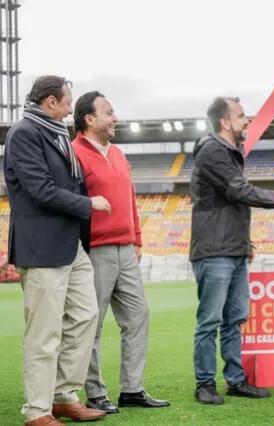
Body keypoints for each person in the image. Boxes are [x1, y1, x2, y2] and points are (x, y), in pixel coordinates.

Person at [3, 75, 110, 425]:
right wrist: (88, 203)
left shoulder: (56, 134)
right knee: (44, 333)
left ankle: (64, 394)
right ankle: (37, 411)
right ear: (50, 102)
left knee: (85, 317)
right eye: (67, 102)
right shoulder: (24, 134)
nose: (70, 109)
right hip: (42, 247)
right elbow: (41, 190)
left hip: (70, 244)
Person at [189, 96, 274, 405]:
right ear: (225, 121)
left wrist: (244, 243)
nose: (247, 120)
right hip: (213, 250)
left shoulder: (230, 152)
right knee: (210, 321)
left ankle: (235, 380)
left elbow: (231, 203)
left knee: (234, 320)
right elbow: (240, 192)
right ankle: (205, 383)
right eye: (241, 115)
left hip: (231, 249)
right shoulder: (212, 150)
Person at [71, 91, 170, 414]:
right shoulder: (73, 154)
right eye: (109, 112)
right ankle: (96, 393)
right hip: (94, 251)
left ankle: (132, 388)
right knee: (92, 324)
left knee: (138, 316)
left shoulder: (119, 154)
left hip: (126, 249)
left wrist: (137, 238)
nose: (115, 118)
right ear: (89, 119)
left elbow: (129, 200)